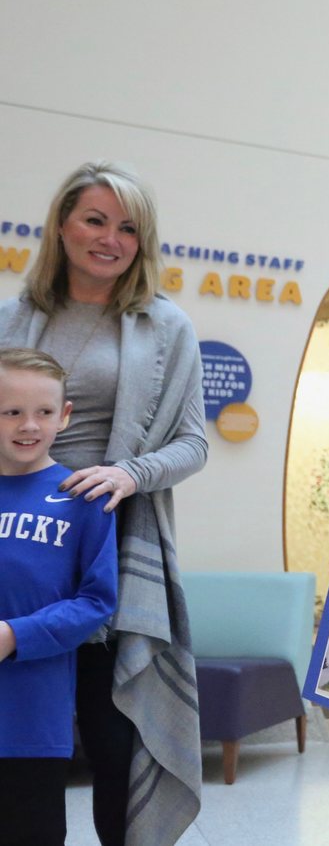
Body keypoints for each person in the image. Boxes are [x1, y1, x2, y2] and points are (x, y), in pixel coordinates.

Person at [0, 161, 208, 846]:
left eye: (128, 228)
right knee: (17, 752)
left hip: (110, 541)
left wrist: (129, 474)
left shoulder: (166, 326)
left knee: (114, 739)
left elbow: (193, 443)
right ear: (62, 225)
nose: (110, 239)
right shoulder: (11, 319)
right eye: (95, 220)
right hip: (16, 549)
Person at [0, 348, 117, 846]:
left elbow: (96, 602)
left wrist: (14, 635)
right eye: (11, 411)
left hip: (31, 723)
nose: (29, 425)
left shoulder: (83, 498)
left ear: (64, 415)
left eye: (44, 411)